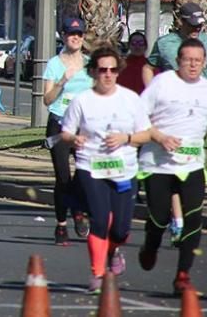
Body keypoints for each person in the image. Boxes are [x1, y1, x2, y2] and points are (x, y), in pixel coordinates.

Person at [137, 38, 207, 296]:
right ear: (178, 61)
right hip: (157, 164)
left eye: (198, 61)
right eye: (188, 60)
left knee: (194, 217)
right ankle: (150, 245)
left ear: (204, 63)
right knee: (159, 217)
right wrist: (159, 136)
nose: (193, 65)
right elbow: (139, 116)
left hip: (192, 164)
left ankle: (183, 275)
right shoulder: (162, 83)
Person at [59, 46, 152, 293]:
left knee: (121, 229)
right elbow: (66, 131)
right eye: (102, 70)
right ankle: (97, 274)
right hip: (92, 167)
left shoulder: (131, 99)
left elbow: (146, 133)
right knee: (99, 220)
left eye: (112, 70)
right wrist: (74, 139)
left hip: (124, 169)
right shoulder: (82, 100)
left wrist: (127, 138)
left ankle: (114, 249)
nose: (108, 75)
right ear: (93, 73)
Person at [42, 17, 93, 245]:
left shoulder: (91, 65)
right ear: (63, 36)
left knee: (84, 175)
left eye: (79, 34)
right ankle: (61, 225)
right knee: (63, 178)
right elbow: (47, 99)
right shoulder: (54, 63)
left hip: (84, 128)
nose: (76, 38)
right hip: (59, 124)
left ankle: (79, 211)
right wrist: (63, 81)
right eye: (72, 34)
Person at [142, 2, 207, 92]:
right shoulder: (163, 43)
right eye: (192, 25)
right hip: (173, 101)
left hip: (202, 101)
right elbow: (147, 69)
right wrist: (152, 91)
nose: (197, 28)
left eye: (199, 25)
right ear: (181, 21)